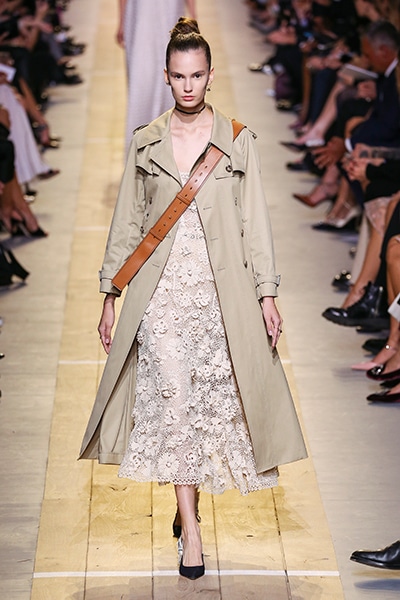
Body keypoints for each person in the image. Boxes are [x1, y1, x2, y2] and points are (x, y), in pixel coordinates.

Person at [79, 17, 307, 580]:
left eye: (197, 75)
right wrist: (109, 293)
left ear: (210, 75)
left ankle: (189, 509)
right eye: (179, 76)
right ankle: (193, 533)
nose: (188, 86)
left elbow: (255, 223)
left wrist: (267, 293)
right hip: (159, 297)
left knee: (205, 406)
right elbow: (127, 222)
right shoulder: (146, 142)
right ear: (166, 76)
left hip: (220, 294)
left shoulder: (237, 139)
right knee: (176, 405)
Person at [117, 0, 196, 155]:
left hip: (166, 13)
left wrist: (193, 16)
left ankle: (172, 149)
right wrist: (122, 20)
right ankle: (142, 151)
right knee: (142, 79)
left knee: (172, 72)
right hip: (140, 17)